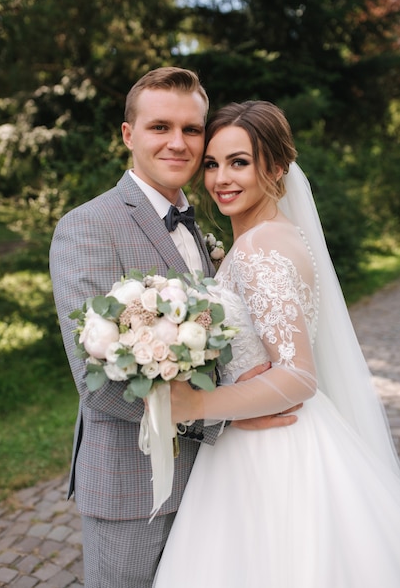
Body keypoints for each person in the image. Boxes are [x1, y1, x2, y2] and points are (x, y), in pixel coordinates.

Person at [49, 69, 297, 588]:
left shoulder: (205, 227)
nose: (178, 142)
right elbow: (96, 385)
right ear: (128, 135)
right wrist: (221, 421)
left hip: (219, 484)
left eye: (191, 129)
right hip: (134, 487)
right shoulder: (88, 225)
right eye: (160, 126)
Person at [153, 100, 400, 588]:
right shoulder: (276, 236)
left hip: (274, 453)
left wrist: (195, 405)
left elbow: (298, 375)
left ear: (277, 166)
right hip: (260, 435)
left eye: (239, 162)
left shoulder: (262, 247)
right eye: (213, 163)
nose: (221, 177)